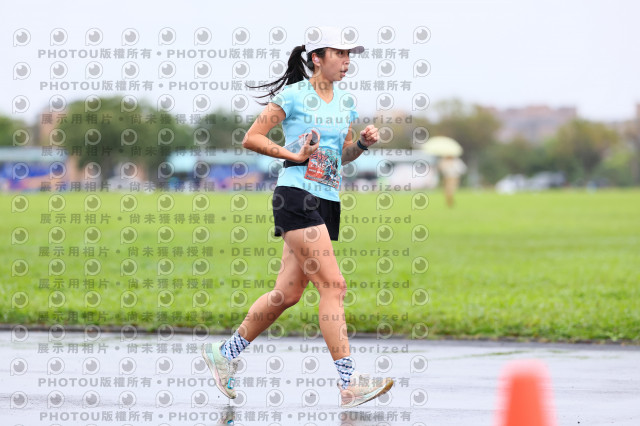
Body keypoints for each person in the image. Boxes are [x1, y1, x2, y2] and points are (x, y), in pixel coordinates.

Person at [201, 26, 393, 408]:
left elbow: (341, 157)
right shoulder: (294, 95)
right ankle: (349, 382)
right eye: (340, 53)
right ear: (317, 58)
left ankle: (225, 354)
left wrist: (361, 144)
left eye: (349, 55)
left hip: (327, 199)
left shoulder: (346, 102)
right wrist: (294, 156)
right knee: (333, 286)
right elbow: (252, 137)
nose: (347, 61)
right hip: (295, 195)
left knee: (287, 294)